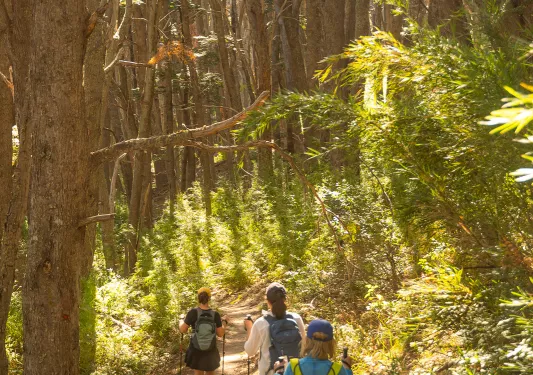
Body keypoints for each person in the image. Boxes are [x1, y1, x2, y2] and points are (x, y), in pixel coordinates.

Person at [244, 282, 306, 375]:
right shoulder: (296, 318)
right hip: (296, 371)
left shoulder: (261, 323)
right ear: (285, 299)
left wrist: (249, 328)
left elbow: (250, 351)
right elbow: (304, 345)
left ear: (267, 301)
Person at [179, 287, 228, 375]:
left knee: (198, 372)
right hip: (211, 349)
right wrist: (224, 322)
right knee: (210, 372)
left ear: (198, 298)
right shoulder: (215, 314)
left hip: (196, 347)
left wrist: (181, 320)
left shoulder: (193, 312)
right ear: (209, 298)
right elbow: (220, 333)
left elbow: (183, 330)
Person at [278, 319, 353, 375]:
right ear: (331, 343)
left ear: (306, 340)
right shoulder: (337, 369)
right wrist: (347, 368)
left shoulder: (293, 367)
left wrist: (278, 372)